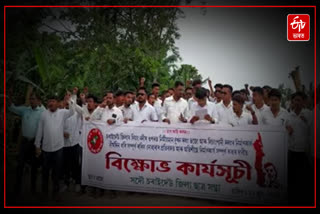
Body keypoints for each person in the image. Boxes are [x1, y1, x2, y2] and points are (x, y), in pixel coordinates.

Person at [34, 93, 75, 200]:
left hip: (58, 148)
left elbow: (72, 111)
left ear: (57, 103)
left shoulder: (62, 113)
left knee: (57, 172)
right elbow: (40, 130)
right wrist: (37, 145)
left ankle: (56, 193)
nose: (51, 103)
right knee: (45, 172)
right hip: (46, 149)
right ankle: (44, 192)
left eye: (53, 101)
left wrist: (70, 99)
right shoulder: (43, 114)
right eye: (49, 101)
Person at [8, 92, 45, 194]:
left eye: (33, 99)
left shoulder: (42, 112)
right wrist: (8, 98)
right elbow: (12, 107)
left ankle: (33, 188)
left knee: (34, 166)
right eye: (30, 99)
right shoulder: (25, 110)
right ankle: (17, 187)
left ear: (38, 101)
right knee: (20, 164)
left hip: (35, 142)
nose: (31, 101)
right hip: (24, 142)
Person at [286, 92, 313, 205]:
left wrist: (306, 122)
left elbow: (313, 132)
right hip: (291, 151)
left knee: (304, 178)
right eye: (295, 100)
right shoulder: (289, 116)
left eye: (299, 100)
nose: (296, 103)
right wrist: (288, 131)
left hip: (304, 152)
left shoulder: (309, 114)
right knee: (292, 177)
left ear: (304, 102)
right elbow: (285, 132)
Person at [62, 100, 82, 193]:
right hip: (64, 144)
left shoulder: (77, 114)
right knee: (65, 165)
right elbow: (57, 126)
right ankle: (66, 183)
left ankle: (78, 182)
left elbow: (83, 112)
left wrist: (73, 100)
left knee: (76, 164)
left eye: (70, 102)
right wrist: (62, 132)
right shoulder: (61, 113)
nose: (68, 104)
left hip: (75, 142)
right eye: (67, 102)